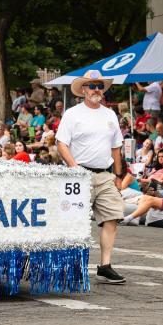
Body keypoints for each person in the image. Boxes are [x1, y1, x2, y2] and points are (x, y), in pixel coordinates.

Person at [56, 70, 126, 284]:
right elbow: (61, 143)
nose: (97, 90)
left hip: (104, 174)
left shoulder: (110, 114)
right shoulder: (72, 114)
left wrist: (118, 174)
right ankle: (69, 264)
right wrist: (74, 166)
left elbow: (116, 147)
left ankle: (105, 265)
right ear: (83, 90)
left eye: (99, 86)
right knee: (73, 220)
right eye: (92, 86)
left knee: (113, 215)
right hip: (80, 174)